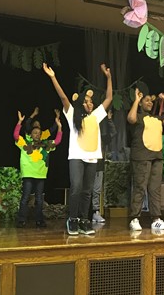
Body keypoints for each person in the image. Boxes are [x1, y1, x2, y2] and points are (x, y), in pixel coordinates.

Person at [43, 62, 113, 236]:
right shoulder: (72, 115)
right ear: (81, 102)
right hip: (76, 156)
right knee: (76, 188)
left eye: (91, 102)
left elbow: (109, 98)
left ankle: (83, 220)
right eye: (87, 101)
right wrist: (53, 77)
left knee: (87, 191)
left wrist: (109, 78)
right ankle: (72, 219)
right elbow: (63, 98)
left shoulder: (96, 116)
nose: (90, 104)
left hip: (93, 157)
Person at [127, 82, 164, 231]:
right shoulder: (139, 117)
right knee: (140, 187)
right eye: (146, 100)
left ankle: (156, 218)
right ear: (141, 102)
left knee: (155, 188)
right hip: (142, 156)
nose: (150, 102)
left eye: (151, 101)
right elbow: (131, 118)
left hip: (157, 157)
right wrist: (136, 100)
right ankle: (134, 218)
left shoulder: (157, 119)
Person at [14, 110, 62, 228]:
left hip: (40, 175)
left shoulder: (45, 145)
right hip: (28, 174)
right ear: (31, 134)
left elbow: (57, 141)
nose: (37, 134)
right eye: (34, 132)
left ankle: (39, 220)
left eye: (38, 133)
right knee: (25, 197)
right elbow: (16, 136)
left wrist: (59, 127)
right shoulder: (25, 143)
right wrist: (19, 122)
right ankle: (21, 219)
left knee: (39, 199)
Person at [92, 109, 117, 223]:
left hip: (99, 166)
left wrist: (109, 120)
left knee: (96, 190)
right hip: (86, 164)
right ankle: (82, 214)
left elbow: (113, 133)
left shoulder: (102, 137)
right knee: (85, 190)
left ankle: (95, 212)